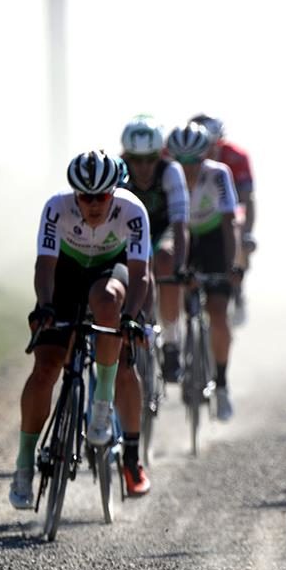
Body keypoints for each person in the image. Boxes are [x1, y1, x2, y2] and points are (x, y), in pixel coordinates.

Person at [10, 151, 152, 509]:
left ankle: (102, 402)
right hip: (66, 275)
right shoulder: (57, 208)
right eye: (84, 197)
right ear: (74, 194)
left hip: (110, 271)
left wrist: (131, 316)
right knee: (45, 370)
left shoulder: (132, 211)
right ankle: (24, 464)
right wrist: (44, 305)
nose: (92, 205)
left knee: (107, 304)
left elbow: (141, 274)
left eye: (101, 197)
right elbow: (45, 264)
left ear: (113, 192)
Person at [166, 122, 239, 420]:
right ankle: (173, 344)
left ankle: (221, 384)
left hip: (211, 240)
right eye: (180, 162)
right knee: (174, 285)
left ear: (205, 155)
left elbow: (228, 223)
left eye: (193, 161)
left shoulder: (218, 174)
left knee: (218, 312)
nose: (187, 169)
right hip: (179, 236)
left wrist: (231, 266)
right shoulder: (168, 175)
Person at [120, 115, 190, 382]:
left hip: (164, 230)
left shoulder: (171, 171)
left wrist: (180, 267)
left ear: (160, 155)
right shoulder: (119, 171)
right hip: (132, 232)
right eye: (136, 160)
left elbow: (181, 223)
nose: (144, 166)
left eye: (150, 158)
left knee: (165, 260)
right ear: (127, 156)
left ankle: (172, 340)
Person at [190, 113, 256, 321]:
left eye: (212, 144)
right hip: (198, 210)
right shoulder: (186, 156)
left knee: (237, 223)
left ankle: (237, 282)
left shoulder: (236, 156)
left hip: (229, 205)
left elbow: (247, 198)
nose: (208, 150)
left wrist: (246, 233)